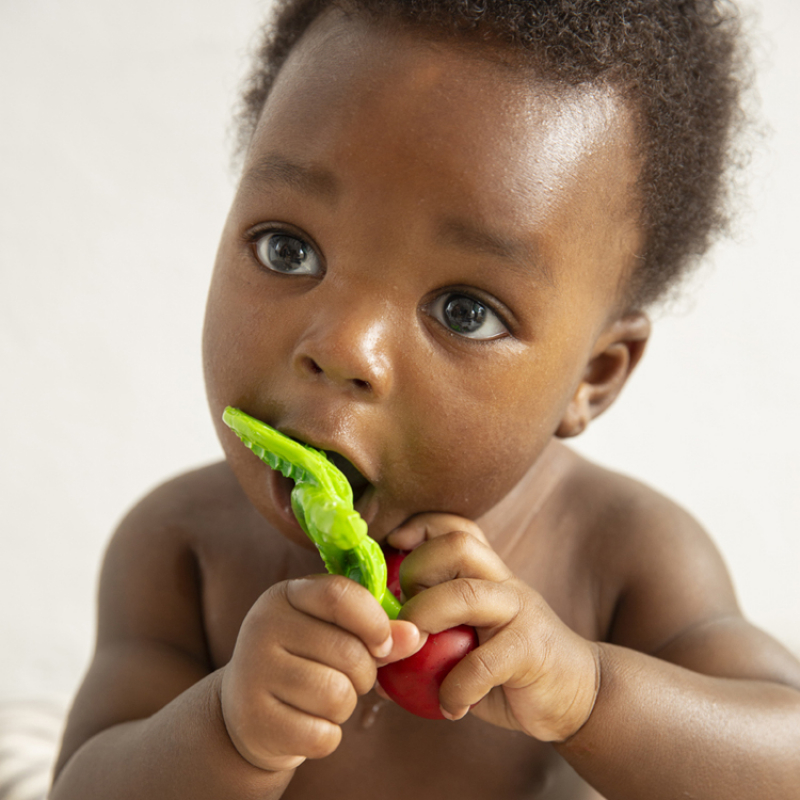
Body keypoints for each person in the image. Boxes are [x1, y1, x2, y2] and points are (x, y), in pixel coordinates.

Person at [50, 1, 800, 798]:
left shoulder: (624, 556)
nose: (343, 348)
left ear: (596, 376)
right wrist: (228, 734)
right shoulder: (180, 549)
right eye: (289, 248)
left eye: (465, 311)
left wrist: (587, 696)